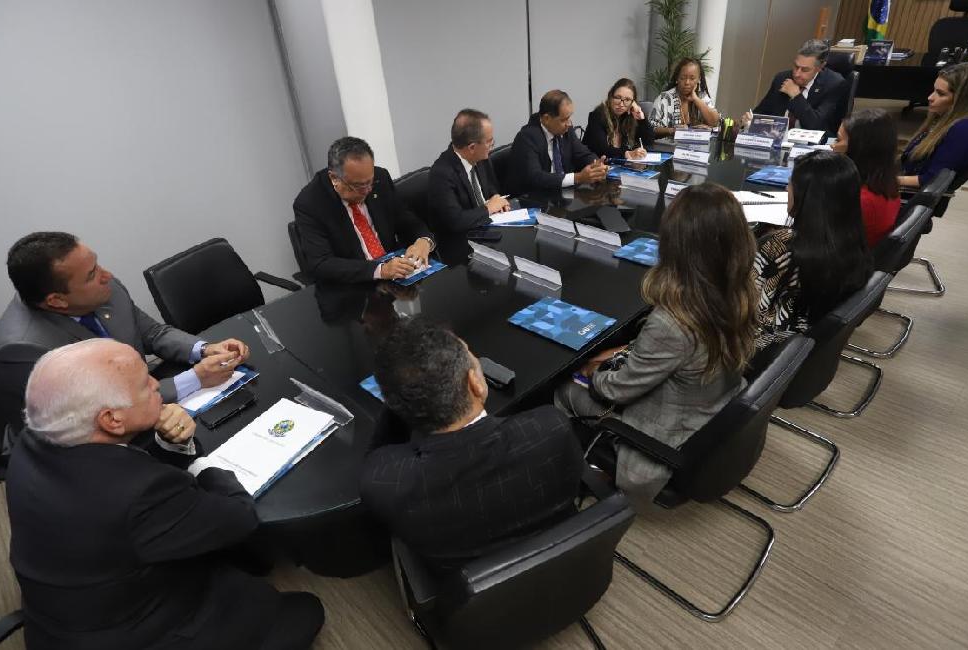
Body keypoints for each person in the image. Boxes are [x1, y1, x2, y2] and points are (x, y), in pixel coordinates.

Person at [5, 339, 324, 649]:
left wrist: (172, 445)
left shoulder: (32, 441)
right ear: (112, 419)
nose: (158, 385)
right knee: (306, 611)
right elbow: (239, 518)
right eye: (145, 384)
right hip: (135, 631)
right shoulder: (138, 493)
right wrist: (197, 458)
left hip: (61, 616)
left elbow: (119, 477)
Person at [555, 183, 758, 502]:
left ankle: (585, 477)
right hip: (708, 408)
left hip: (667, 436)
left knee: (561, 389)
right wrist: (628, 351)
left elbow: (615, 391)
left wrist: (593, 373)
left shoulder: (673, 320)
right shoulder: (742, 289)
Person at [360, 317, 584, 574]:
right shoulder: (550, 428)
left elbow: (376, 457)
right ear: (475, 382)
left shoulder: (389, 483)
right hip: (569, 571)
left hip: (479, 604)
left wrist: (403, 399)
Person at [0, 232, 249, 439]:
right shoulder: (20, 351)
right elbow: (97, 416)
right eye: (92, 275)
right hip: (89, 450)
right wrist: (196, 379)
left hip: (147, 403)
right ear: (56, 301)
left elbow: (153, 333)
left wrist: (203, 349)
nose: (107, 275)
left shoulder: (103, 287)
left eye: (96, 264)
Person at [754, 151, 872, 348]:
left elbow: (743, 308)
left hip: (763, 346)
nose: (786, 187)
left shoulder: (780, 247)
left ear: (808, 196)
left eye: (791, 183)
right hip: (800, 346)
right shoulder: (853, 241)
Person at [293, 136, 436, 283]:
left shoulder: (380, 177)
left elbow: (406, 220)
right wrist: (380, 270)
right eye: (359, 186)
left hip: (395, 278)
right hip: (353, 286)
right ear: (334, 178)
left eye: (370, 182)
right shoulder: (310, 203)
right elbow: (321, 264)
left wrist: (423, 241)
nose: (367, 190)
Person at [899, 62, 968, 189]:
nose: (930, 97)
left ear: (961, 100)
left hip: (908, 196)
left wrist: (887, 181)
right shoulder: (943, 119)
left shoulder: (965, 130)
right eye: (934, 90)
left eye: (941, 94)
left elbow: (931, 180)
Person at [506, 89, 609, 194]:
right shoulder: (527, 137)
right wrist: (578, 177)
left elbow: (583, 154)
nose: (569, 124)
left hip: (561, 197)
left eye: (569, 118)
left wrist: (597, 167)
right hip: (532, 199)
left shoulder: (566, 129)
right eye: (564, 119)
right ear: (546, 118)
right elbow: (536, 177)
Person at [427, 109, 510, 236]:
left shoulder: (481, 157)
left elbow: (491, 187)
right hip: (462, 240)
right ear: (472, 147)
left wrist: (497, 199)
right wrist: (488, 208)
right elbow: (456, 221)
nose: (491, 145)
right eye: (489, 142)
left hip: (488, 227)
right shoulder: (441, 174)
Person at [745, 39, 848, 135]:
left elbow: (816, 125)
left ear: (820, 67)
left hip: (812, 145)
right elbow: (762, 112)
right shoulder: (782, 78)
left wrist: (796, 96)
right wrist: (750, 119)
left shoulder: (834, 84)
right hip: (777, 138)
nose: (797, 74)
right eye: (796, 66)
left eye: (805, 70)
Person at [832, 108, 901, 247]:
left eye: (839, 140)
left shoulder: (862, 200)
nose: (833, 146)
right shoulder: (884, 181)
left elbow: (825, 238)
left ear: (858, 148)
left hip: (843, 261)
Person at [583, 77, 657, 159]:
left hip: (619, 167)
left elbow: (648, 142)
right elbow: (602, 149)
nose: (621, 104)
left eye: (627, 100)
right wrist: (627, 153)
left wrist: (641, 119)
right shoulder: (597, 116)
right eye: (618, 98)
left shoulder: (628, 117)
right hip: (595, 166)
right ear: (610, 97)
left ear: (633, 102)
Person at [649, 58, 721, 138]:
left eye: (692, 78)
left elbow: (715, 122)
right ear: (677, 79)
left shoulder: (702, 97)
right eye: (683, 78)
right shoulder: (664, 99)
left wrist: (696, 100)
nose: (687, 82)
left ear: (699, 79)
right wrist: (672, 130)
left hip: (697, 147)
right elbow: (651, 128)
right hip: (670, 147)